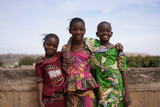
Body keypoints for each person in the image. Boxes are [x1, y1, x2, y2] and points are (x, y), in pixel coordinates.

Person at [66, 20, 131, 107]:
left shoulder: (117, 50)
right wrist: (67, 51)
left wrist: (127, 93)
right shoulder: (93, 44)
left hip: (117, 88)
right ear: (97, 34)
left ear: (111, 34)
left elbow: (123, 71)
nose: (105, 33)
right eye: (101, 31)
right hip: (102, 88)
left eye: (108, 31)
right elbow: (73, 37)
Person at [61, 18, 98, 107]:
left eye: (81, 29)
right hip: (71, 94)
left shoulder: (89, 46)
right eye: (75, 29)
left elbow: (105, 43)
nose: (78, 32)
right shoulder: (65, 49)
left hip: (88, 93)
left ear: (85, 30)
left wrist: (117, 46)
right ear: (70, 30)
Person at [35, 33, 65, 107]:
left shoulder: (59, 56)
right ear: (44, 44)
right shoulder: (40, 63)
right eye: (48, 44)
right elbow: (40, 83)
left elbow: (68, 47)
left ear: (57, 47)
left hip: (62, 99)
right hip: (48, 100)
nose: (51, 47)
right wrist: (40, 101)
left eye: (54, 46)